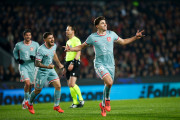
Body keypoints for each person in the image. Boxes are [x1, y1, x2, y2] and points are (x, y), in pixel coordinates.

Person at [64, 16, 145, 117]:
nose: (105, 24)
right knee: (109, 82)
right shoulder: (92, 37)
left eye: (105, 23)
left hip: (111, 64)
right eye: (102, 23)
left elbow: (123, 42)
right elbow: (81, 46)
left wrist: (135, 37)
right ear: (97, 26)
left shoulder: (112, 34)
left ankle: (102, 104)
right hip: (99, 64)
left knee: (108, 84)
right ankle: (107, 101)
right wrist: (71, 49)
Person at [25, 32, 64, 114]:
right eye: (49, 38)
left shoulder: (54, 45)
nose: (52, 39)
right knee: (38, 90)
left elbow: (54, 54)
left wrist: (59, 64)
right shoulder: (41, 50)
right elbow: (37, 63)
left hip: (50, 69)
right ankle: (29, 103)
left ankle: (56, 105)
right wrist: (47, 67)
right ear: (45, 40)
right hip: (41, 71)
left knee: (58, 86)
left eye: (52, 37)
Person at [13, 29, 39, 109]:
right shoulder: (19, 45)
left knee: (30, 85)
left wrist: (35, 57)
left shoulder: (35, 44)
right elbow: (14, 52)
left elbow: (39, 54)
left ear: (31, 36)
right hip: (23, 66)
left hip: (32, 66)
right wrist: (17, 59)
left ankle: (28, 100)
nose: (28, 36)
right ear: (24, 36)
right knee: (27, 83)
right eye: (26, 35)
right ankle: (25, 100)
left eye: (29, 35)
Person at [65, 25, 84, 108]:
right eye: (66, 30)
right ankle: (75, 102)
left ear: (73, 31)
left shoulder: (76, 40)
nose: (66, 31)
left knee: (72, 83)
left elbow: (79, 51)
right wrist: (65, 65)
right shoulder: (68, 41)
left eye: (68, 30)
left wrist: (72, 63)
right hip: (67, 62)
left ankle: (81, 99)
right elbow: (68, 53)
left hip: (74, 62)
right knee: (69, 84)